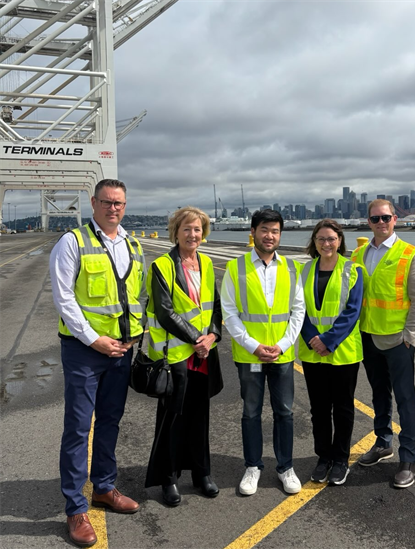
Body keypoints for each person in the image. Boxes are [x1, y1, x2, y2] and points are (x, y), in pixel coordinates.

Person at [50, 179, 146, 547]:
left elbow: (137, 296)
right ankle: (76, 508)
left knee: (110, 421)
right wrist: (94, 339)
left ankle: (104, 487)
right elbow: (64, 299)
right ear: (93, 203)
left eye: (119, 203)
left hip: (121, 350)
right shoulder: (72, 242)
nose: (113, 208)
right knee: (78, 428)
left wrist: (134, 336)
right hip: (85, 351)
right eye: (106, 202)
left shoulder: (133, 245)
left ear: (125, 205)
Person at [221, 209, 305, 496]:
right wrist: (253, 346)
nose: (270, 236)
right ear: (253, 232)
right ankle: (253, 466)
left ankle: (285, 467)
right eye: (265, 230)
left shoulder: (291, 268)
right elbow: (229, 312)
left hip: (282, 355)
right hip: (250, 356)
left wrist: (283, 345)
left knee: (285, 412)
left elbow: (298, 310)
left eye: (275, 231)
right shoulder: (236, 267)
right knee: (251, 412)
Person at [144, 206, 223, 506]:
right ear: (175, 232)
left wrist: (212, 335)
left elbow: (214, 307)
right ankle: (168, 478)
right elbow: (164, 311)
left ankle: (202, 473)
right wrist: (196, 339)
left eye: (197, 229)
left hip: (203, 356)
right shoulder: (162, 266)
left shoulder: (206, 263)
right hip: (175, 356)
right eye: (186, 228)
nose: (192, 234)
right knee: (172, 419)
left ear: (204, 233)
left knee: (200, 417)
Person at [351, 199, 415, 488]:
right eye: (375, 219)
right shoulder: (358, 254)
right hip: (368, 336)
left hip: (398, 340)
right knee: (379, 394)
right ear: (368, 222)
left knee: (406, 399)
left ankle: (408, 458)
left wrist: (410, 336)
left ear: (395, 219)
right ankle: (383, 442)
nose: (381, 223)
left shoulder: (410, 254)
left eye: (385, 218)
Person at [299, 219, 363, 486]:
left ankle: (340, 460)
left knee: (343, 408)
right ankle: (323, 456)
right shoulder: (303, 270)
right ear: (314, 242)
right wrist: (312, 338)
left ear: (340, 241)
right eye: (321, 239)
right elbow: (297, 309)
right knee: (319, 409)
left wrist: (327, 341)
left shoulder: (353, 270)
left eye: (331, 239)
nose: (326, 243)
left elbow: (352, 311)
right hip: (312, 351)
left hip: (343, 352)